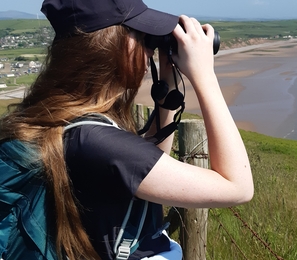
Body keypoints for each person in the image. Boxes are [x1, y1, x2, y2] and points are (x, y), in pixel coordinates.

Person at [0, 0, 254, 259]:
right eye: (144, 39)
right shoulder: (97, 142)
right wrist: (205, 77)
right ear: (112, 44)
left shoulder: (63, 122)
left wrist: (166, 89)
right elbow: (238, 187)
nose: (149, 52)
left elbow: (147, 167)